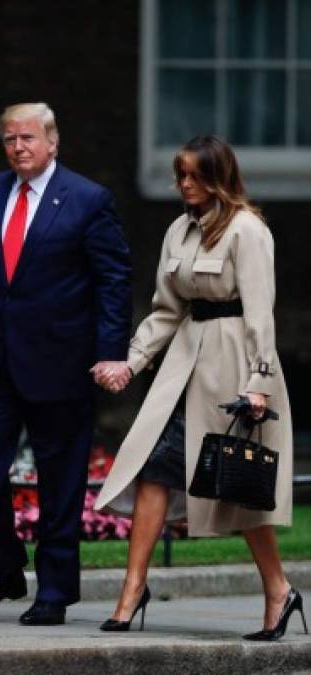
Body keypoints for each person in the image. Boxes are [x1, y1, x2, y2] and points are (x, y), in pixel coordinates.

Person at [93, 136, 308, 641]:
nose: (184, 185)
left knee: (237, 486)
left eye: (193, 176)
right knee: (154, 466)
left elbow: (261, 315)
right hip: (183, 366)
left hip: (234, 367)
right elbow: (166, 310)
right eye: (180, 175)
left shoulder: (248, 231)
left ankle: (278, 591)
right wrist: (130, 362)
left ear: (217, 176)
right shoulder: (178, 231)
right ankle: (132, 590)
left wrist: (259, 386)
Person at [0, 102, 132, 625]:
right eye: (9, 139)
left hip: (63, 361)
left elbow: (113, 281)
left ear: (52, 141)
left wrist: (110, 352)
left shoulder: (88, 199)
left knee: (61, 477)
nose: (18, 147)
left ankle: (54, 591)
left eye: (27, 137)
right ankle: (4, 569)